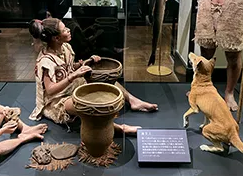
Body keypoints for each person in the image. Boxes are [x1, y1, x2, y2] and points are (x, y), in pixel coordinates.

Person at [28, 18, 158, 134]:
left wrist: (84, 63)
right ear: (56, 38)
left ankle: (133, 101)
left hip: (71, 86)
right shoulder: (46, 61)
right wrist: (73, 76)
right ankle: (120, 128)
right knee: (88, 108)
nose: (68, 30)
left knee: (105, 80)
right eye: (64, 30)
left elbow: (66, 67)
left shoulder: (65, 47)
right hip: (57, 101)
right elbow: (50, 90)